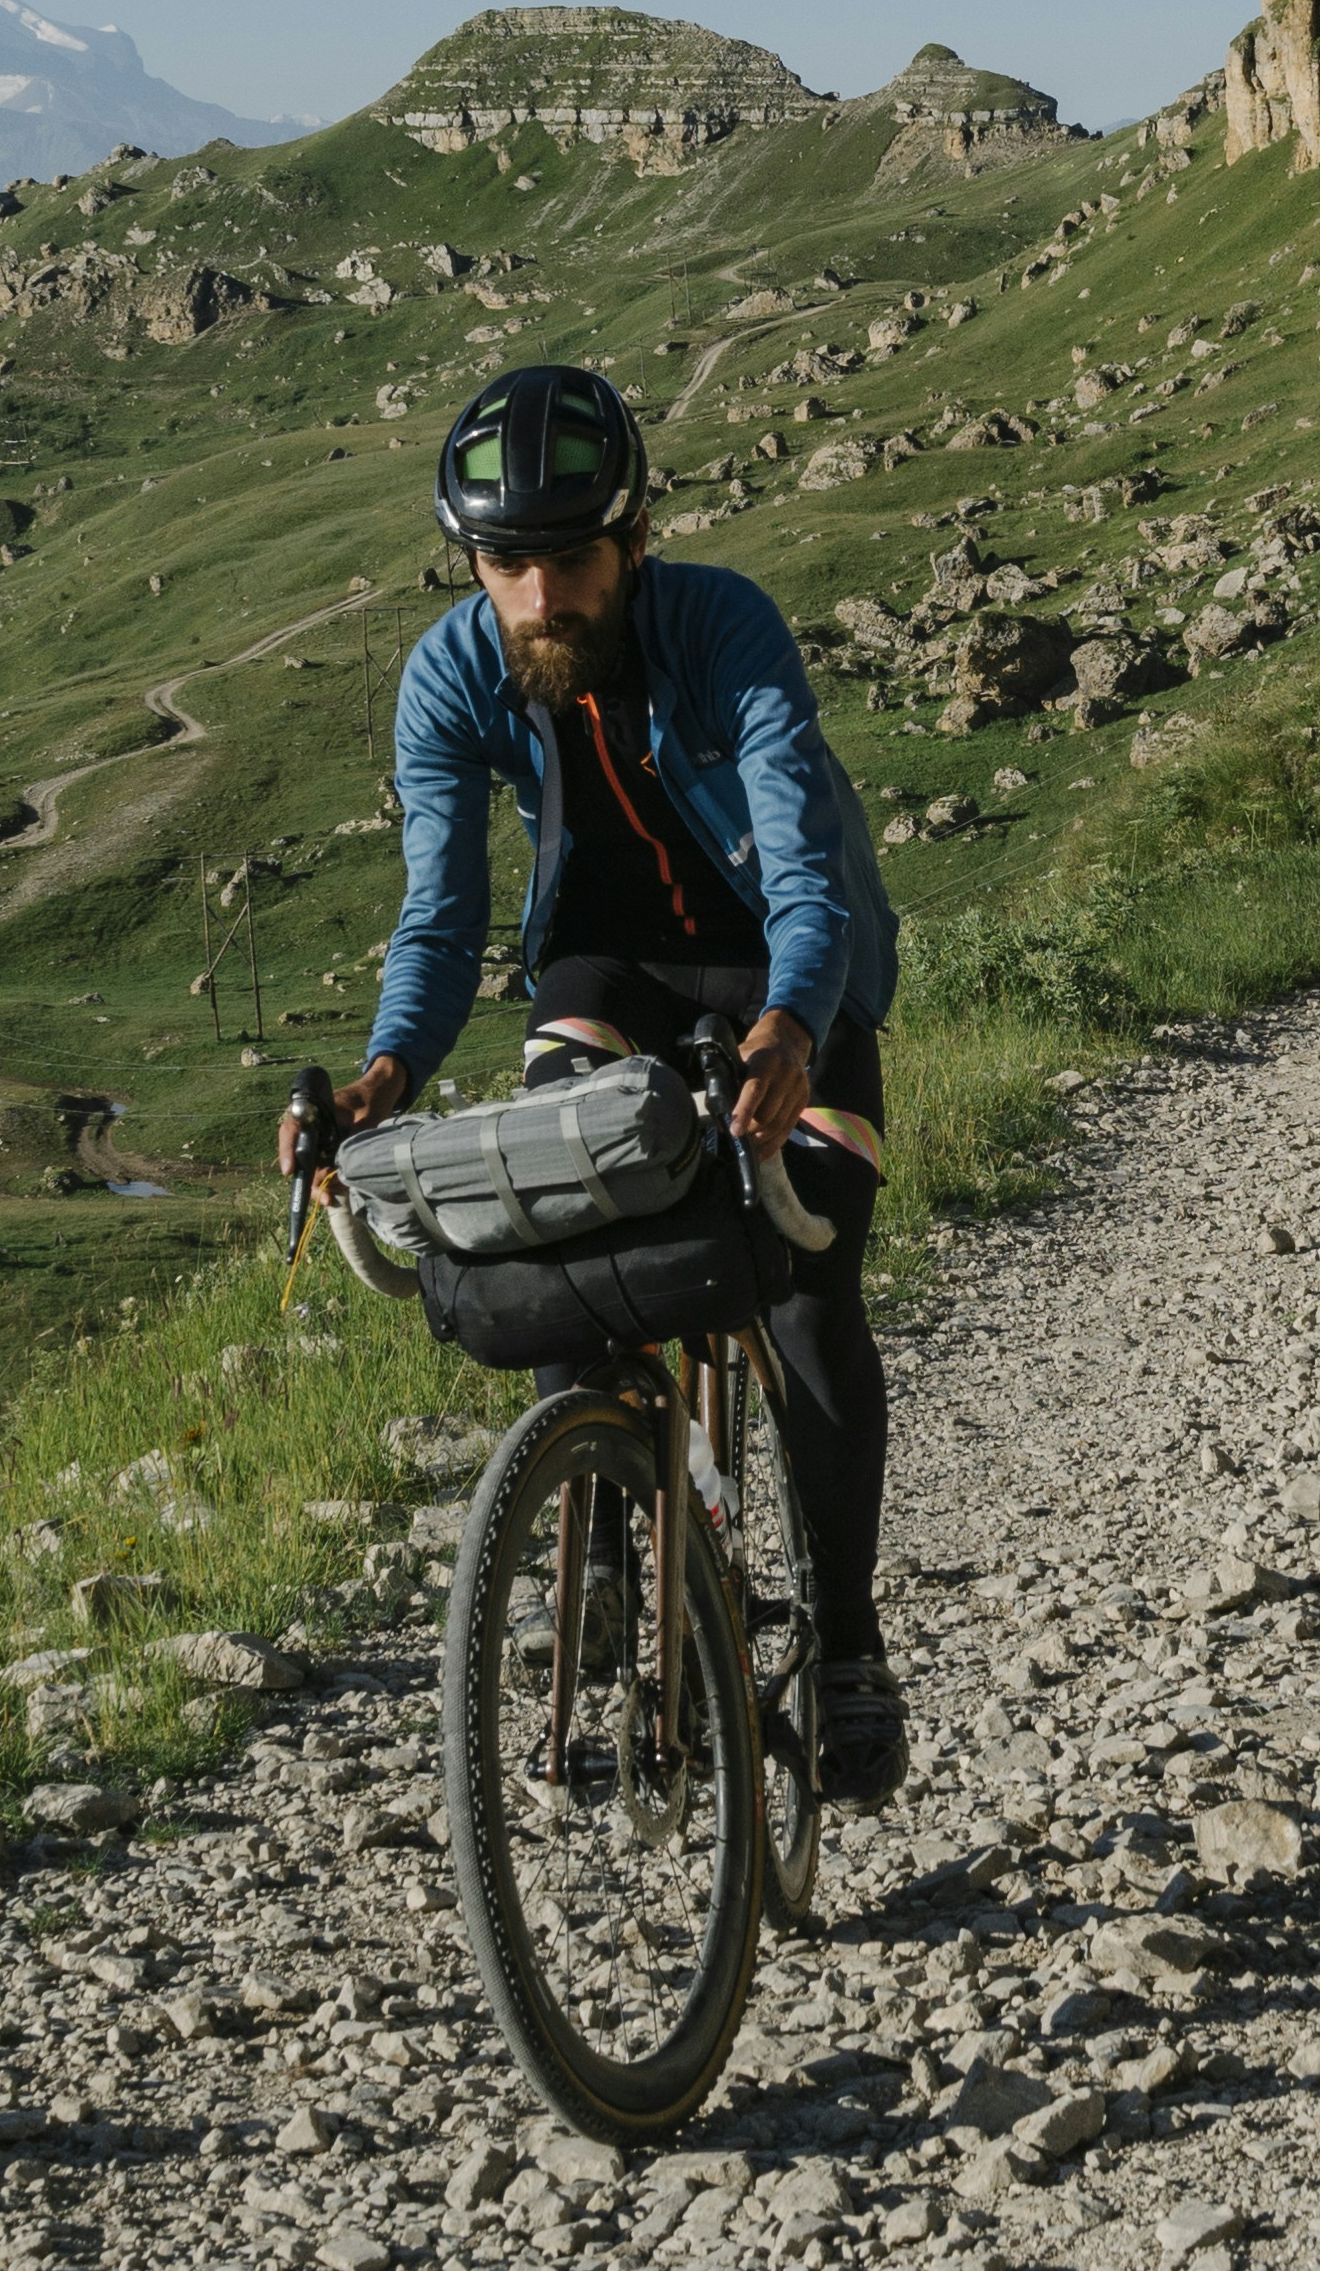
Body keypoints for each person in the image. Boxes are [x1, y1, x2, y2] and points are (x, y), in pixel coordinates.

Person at [280, 360, 911, 1803]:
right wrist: (384, 1073)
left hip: (787, 969)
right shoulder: (449, 673)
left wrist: (799, 1026)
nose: (541, 595)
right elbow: (440, 917)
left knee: (810, 1280)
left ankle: (852, 1641)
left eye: (570, 559)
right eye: (507, 564)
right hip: (607, 971)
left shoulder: (722, 625)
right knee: (551, 1201)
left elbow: (804, 862)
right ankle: (605, 1537)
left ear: (634, 540)